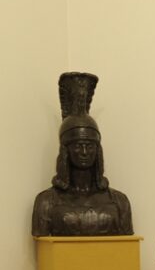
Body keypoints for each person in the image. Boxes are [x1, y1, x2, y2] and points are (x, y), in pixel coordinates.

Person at [33, 72, 133, 236]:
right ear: (66, 150)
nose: (85, 152)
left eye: (90, 146)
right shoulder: (46, 202)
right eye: (78, 146)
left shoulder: (119, 201)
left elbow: (125, 249)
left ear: (98, 149)